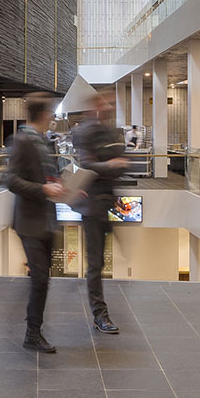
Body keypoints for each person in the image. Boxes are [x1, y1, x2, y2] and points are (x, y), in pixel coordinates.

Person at [7, 94, 64, 353]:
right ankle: (32, 334)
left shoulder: (42, 142)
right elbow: (12, 180)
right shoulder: (22, 141)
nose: (52, 117)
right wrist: (44, 189)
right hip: (30, 222)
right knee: (40, 279)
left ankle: (34, 330)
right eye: (50, 113)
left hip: (46, 219)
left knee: (42, 279)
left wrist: (64, 187)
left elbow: (48, 176)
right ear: (43, 114)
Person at [71, 91, 128, 334]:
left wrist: (111, 166)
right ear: (95, 106)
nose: (110, 108)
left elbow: (122, 163)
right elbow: (87, 164)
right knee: (95, 263)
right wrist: (110, 165)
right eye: (107, 103)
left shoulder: (109, 132)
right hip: (91, 206)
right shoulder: (85, 131)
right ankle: (100, 315)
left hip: (105, 203)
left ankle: (100, 313)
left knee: (100, 261)